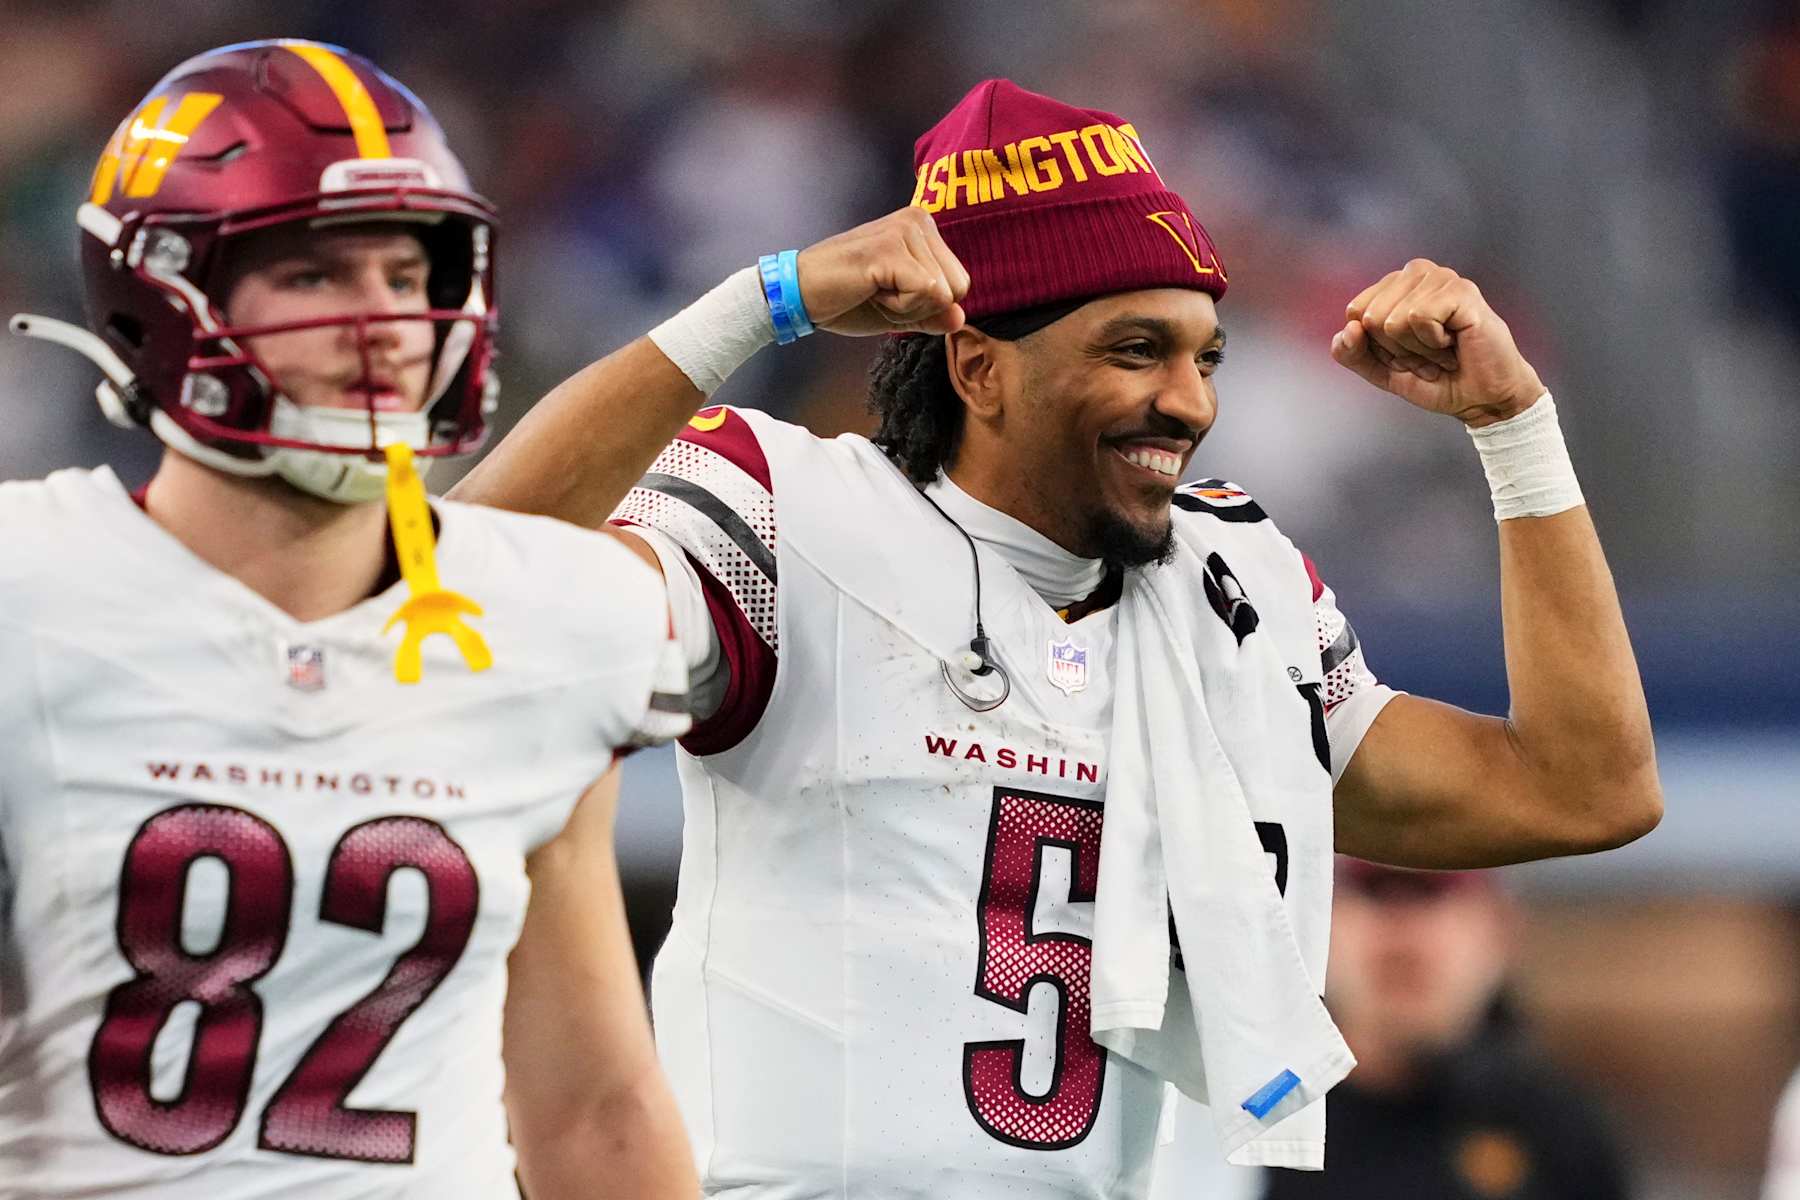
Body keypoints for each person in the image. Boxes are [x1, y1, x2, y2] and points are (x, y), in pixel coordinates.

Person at [454, 79, 1662, 1197]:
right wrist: (753, 306)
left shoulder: (1228, 585)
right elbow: (468, 599)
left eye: (1205, 356)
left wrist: (1515, 428)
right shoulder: (785, 515)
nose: (1189, 401)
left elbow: (1584, 788)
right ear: (979, 367)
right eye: (1135, 349)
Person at [0, 41, 695, 1199]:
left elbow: (595, 1106)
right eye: (316, 275)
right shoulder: (31, 588)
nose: (383, 321)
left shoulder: (557, 616)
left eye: (406, 273)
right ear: (164, 294)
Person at [1155, 860, 1631, 1200]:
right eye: (1375, 891)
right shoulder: (1243, 1125)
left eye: (1432, 892)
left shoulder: (1559, 1133)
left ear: (1500, 931)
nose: (1403, 934)